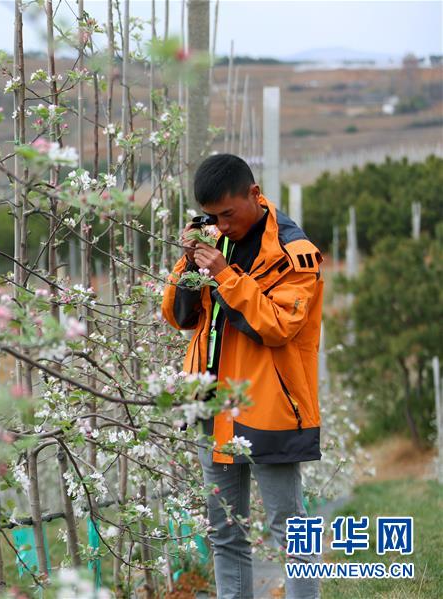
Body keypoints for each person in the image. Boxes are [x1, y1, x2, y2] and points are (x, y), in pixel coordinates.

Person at [161, 154, 324, 599]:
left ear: (254, 194)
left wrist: (224, 274)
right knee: (226, 531)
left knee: (289, 532)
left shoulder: (294, 251)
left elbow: (276, 326)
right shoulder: (216, 242)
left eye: (228, 214)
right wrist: (188, 264)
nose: (221, 225)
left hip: (270, 408)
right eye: (212, 217)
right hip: (214, 410)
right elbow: (179, 318)